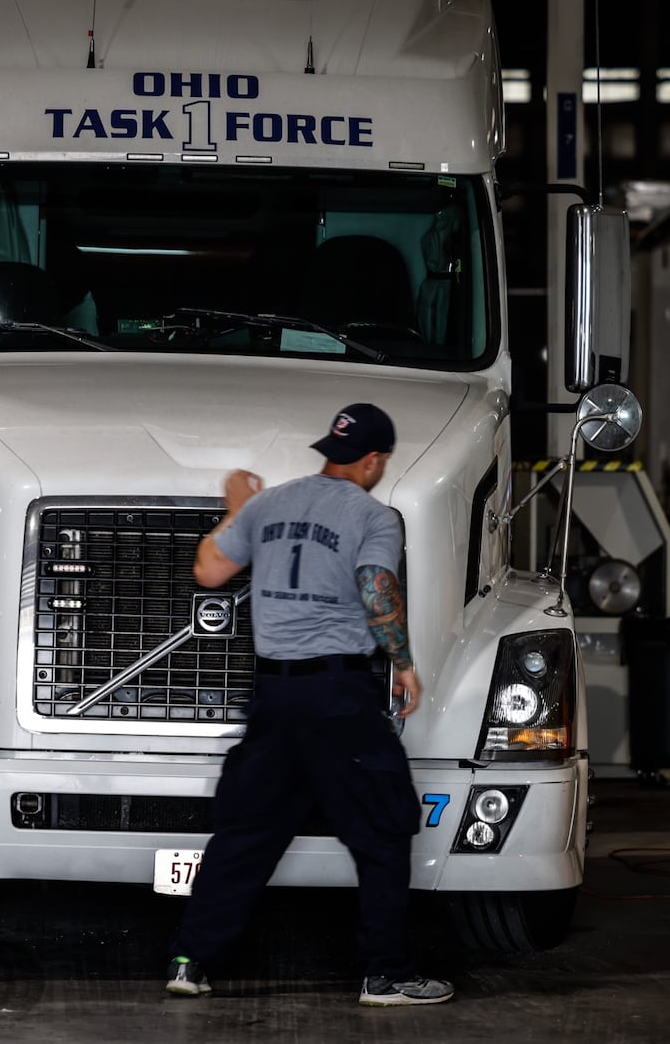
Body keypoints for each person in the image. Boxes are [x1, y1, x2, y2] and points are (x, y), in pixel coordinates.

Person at [165, 403, 454, 1007]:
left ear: (331, 449)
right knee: (383, 828)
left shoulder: (269, 506)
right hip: (338, 694)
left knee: (244, 834)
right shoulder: (374, 516)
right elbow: (378, 587)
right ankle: (385, 974)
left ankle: (191, 963)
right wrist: (401, 661)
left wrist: (238, 510)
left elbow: (210, 570)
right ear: (374, 460)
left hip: (272, 696)